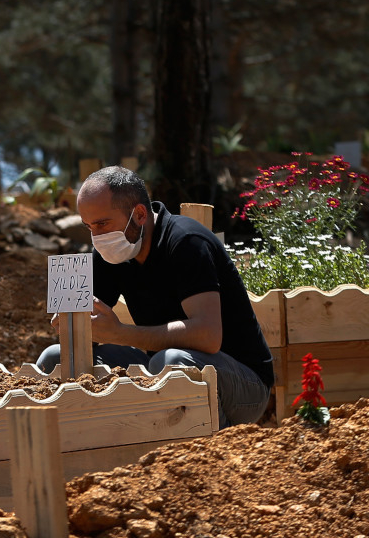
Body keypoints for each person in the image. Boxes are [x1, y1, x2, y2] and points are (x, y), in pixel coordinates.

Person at [36, 165, 274, 428]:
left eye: (102, 224)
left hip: (243, 386)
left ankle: (215, 450)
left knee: (171, 362)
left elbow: (208, 336)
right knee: (54, 357)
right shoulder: (112, 251)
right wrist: (73, 324)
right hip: (160, 365)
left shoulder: (186, 242)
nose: (97, 237)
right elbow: (82, 338)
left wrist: (119, 333)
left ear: (139, 214)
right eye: (88, 227)